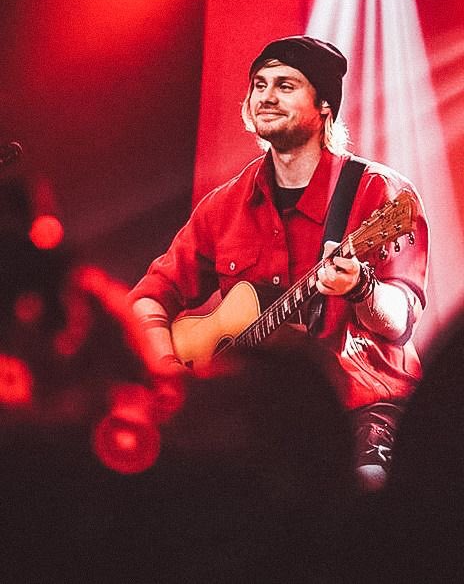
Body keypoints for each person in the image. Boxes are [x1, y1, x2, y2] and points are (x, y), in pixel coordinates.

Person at [128, 35, 429, 491]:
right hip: (253, 416)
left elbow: (401, 321)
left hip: (361, 409)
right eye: (259, 84)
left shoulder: (379, 194)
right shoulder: (224, 204)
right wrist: (169, 370)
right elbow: (150, 296)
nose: (266, 96)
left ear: (325, 103)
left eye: (285, 85)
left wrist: (363, 289)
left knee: (367, 492)